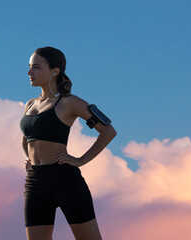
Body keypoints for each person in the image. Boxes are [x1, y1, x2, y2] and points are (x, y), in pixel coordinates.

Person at [21, 46, 117, 240]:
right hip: (35, 182)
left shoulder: (69, 102)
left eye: (36, 67)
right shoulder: (30, 104)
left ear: (54, 71)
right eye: (30, 67)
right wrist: (28, 158)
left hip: (65, 181)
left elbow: (108, 131)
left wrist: (80, 160)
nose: (30, 72)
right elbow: (26, 139)